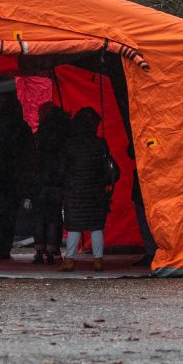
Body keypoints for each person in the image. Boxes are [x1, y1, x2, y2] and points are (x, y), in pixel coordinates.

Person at [61, 107, 117, 272]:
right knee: (96, 226)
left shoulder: (69, 145)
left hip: (74, 191)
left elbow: (61, 170)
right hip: (96, 191)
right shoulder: (100, 144)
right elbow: (108, 167)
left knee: (74, 226)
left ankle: (69, 259)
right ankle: (98, 260)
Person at [0, 94, 33, 260]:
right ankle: (4, 249)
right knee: (10, 215)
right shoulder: (23, 128)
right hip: (14, 177)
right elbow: (29, 154)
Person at [30, 102, 70, 265]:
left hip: (40, 181)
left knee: (40, 215)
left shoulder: (38, 137)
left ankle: (40, 249)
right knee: (54, 215)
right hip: (56, 181)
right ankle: (53, 249)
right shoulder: (62, 136)